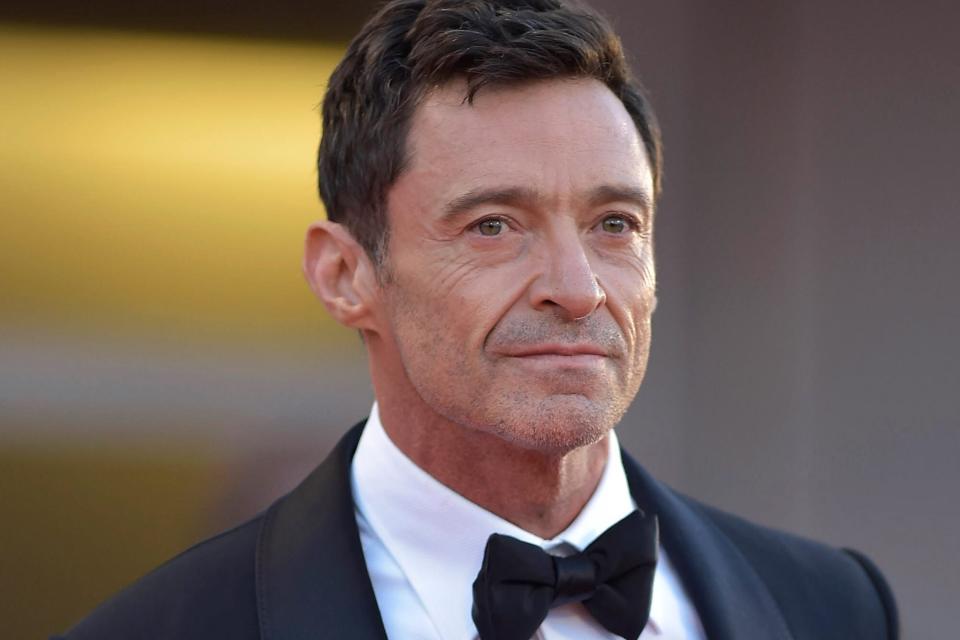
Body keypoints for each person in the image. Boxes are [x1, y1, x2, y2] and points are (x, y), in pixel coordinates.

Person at [57, 1, 898, 638]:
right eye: (494, 225)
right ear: (345, 274)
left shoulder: (832, 608)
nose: (577, 288)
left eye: (615, 224)